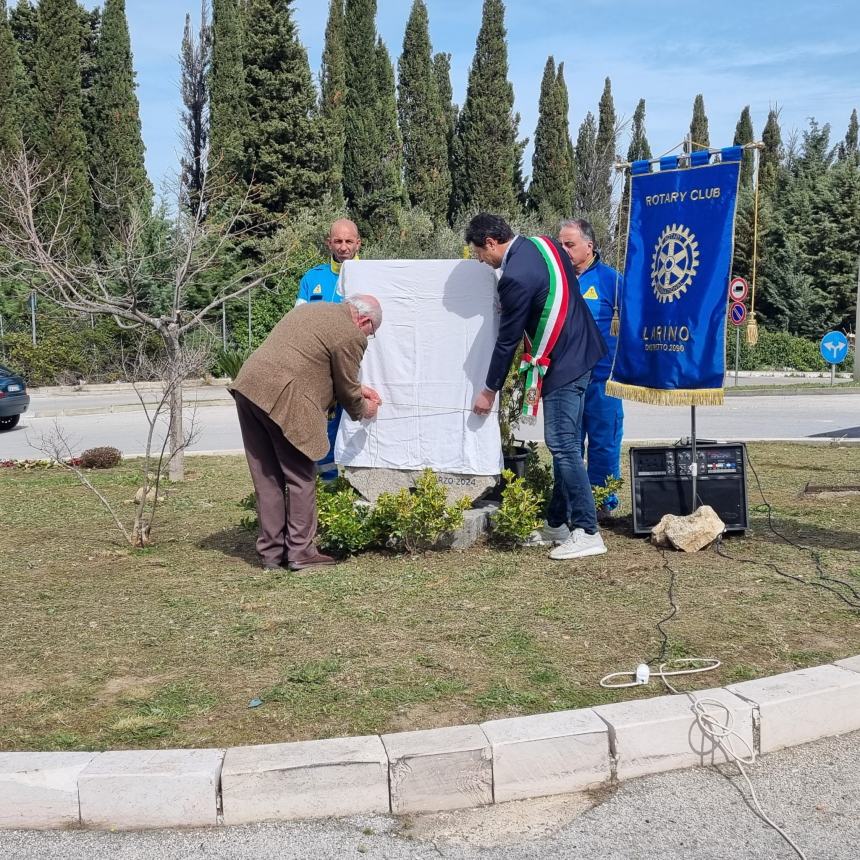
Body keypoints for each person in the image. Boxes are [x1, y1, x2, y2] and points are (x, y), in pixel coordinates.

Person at [466, 213, 608, 560]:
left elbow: (507, 341)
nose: (480, 261)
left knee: (562, 445)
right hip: (583, 351)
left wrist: (489, 389)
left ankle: (588, 531)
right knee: (567, 443)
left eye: (478, 254)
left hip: (563, 364)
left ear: (490, 243)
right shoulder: (542, 245)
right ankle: (557, 523)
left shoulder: (513, 276)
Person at [230, 295, 382, 571]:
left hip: (250, 388)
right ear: (365, 320)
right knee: (300, 475)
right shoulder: (350, 333)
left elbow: (309, 360)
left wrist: (357, 390)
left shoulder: (314, 310)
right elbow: (346, 387)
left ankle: (271, 554)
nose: (367, 338)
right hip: (284, 396)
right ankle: (301, 552)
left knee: (267, 477)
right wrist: (363, 409)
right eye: (371, 333)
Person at [558, 218, 623, 517]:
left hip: (602, 381)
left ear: (589, 246)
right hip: (566, 380)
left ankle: (602, 504)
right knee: (568, 446)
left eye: (569, 244)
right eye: (560, 244)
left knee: (604, 444)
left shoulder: (612, 281)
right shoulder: (556, 280)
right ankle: (569, 505)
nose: (564, 249)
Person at [296, 219, 363, 480]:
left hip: (358, 370)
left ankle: (356, 482)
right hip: (321, 373)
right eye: (338, 241)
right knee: (324, 430)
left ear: (358, 242)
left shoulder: (374, 274)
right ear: (329, 243)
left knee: (360, 426)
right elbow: (299, 324)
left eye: (349, 241)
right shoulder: (313, 278)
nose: (344, 247)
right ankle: (328, 485)